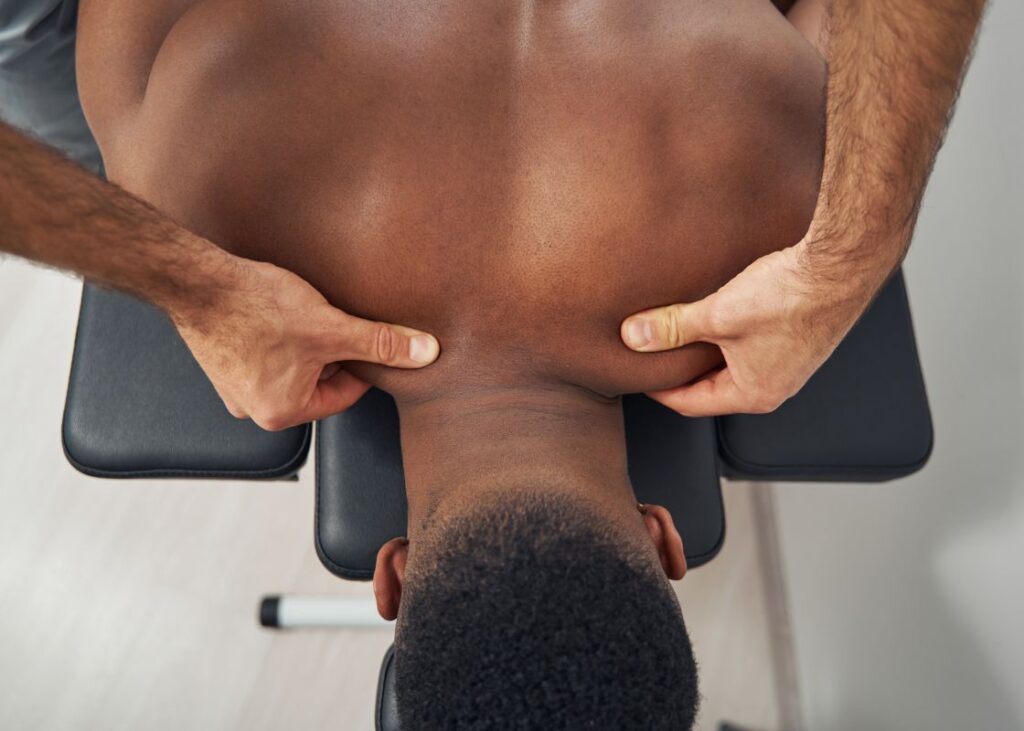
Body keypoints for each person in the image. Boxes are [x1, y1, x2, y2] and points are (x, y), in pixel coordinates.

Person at [0, 0, 984, 728]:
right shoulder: (188, 186)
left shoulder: (790, 209)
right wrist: (194, 280)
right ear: (390, 576)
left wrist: (851, 250)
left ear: (664, 542)